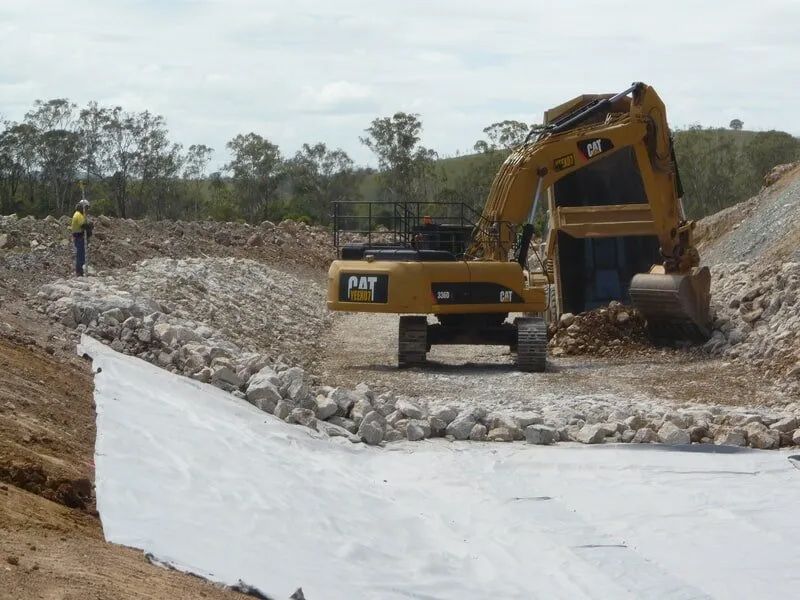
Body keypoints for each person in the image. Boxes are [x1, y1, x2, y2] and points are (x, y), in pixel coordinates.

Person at [70, 199, 91, 276]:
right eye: (86, 208)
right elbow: (83, 225)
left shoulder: (80, 214)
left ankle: (80, 270)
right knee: (80, 255)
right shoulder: (78, 215)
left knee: (82, 255)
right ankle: (79, 271)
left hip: (79, 237)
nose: (87, 210)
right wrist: (89, 226)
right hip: (79, 237)